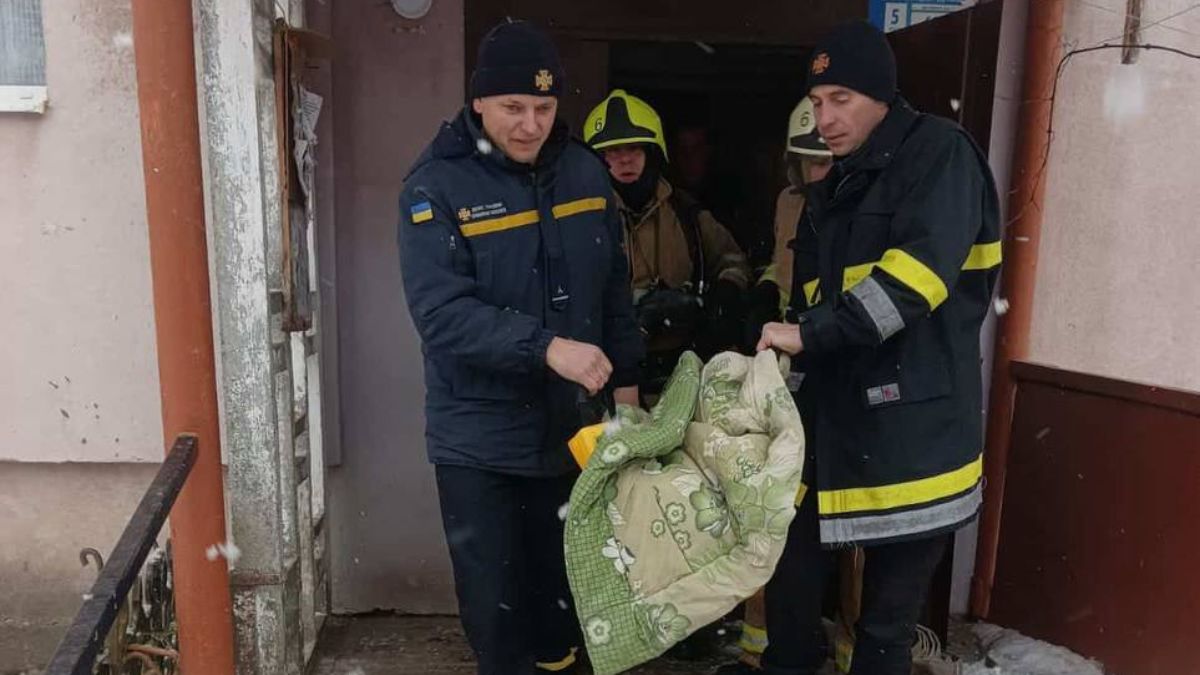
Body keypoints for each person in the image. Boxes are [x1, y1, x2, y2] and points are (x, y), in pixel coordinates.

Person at [749, 21, 1003, 675]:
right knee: (791, 591)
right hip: (835, 426)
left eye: (842, 99)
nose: (825, 117)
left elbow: (911, 285)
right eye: (818, 102)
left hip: (914, 434)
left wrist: (808, 334)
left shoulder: (941, 157)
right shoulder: (834, 187)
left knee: (884, 630)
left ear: (882, 95)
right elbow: (809, 298)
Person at [396, 20, 643, 675]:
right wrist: (546, 347)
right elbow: (442, 315)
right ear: (478, 101)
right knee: (498, 620)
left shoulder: (586, 175)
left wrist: (627, 398)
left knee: (568, 615)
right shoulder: (435, 187)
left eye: (543, 107)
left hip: (571, 436)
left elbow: (615, 288)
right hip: (479, 446)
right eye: (513, 108)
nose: (530, 124)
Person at [584, 89, 751, 395]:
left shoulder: (686, 213)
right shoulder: (584, 220)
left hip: (683, 369)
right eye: (612, 151)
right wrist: (638, 311)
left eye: (634, 148)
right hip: (608, 374)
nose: (624, 159)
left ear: (653, 152)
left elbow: (732, 260)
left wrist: (722, 297)